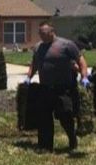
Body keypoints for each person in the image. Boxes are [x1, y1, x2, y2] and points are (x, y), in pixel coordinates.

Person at [26, 21, 89, 152]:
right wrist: (28, 77)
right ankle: (45, 146)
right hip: (45, 88)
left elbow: (81, 61)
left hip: (63, 88)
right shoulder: (38, 47)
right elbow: (35, 64)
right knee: (44, 117)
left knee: (65, 115)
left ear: (52, 32)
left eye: (43, 33)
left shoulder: (66, 45)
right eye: (40, 33)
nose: (41, 36)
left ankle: (72, 138)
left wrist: (84, 77)